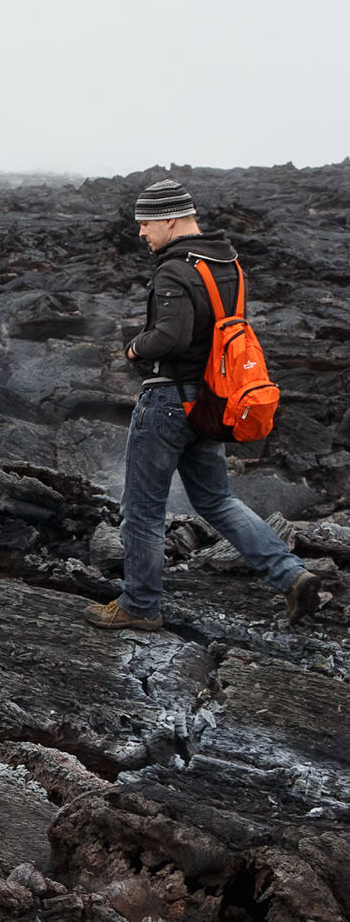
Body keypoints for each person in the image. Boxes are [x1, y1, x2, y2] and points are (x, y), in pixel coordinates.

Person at [90, 177, 319, 630]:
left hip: (169, 401)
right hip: (212, 402)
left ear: (170, 218)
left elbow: (169, 337)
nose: (140, 233)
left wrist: (134, 349)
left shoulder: (174, 268)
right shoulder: (228, 262)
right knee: (216, 500)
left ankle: (138, 605)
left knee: (141, 509)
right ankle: (291, 576)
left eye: (145, 223)